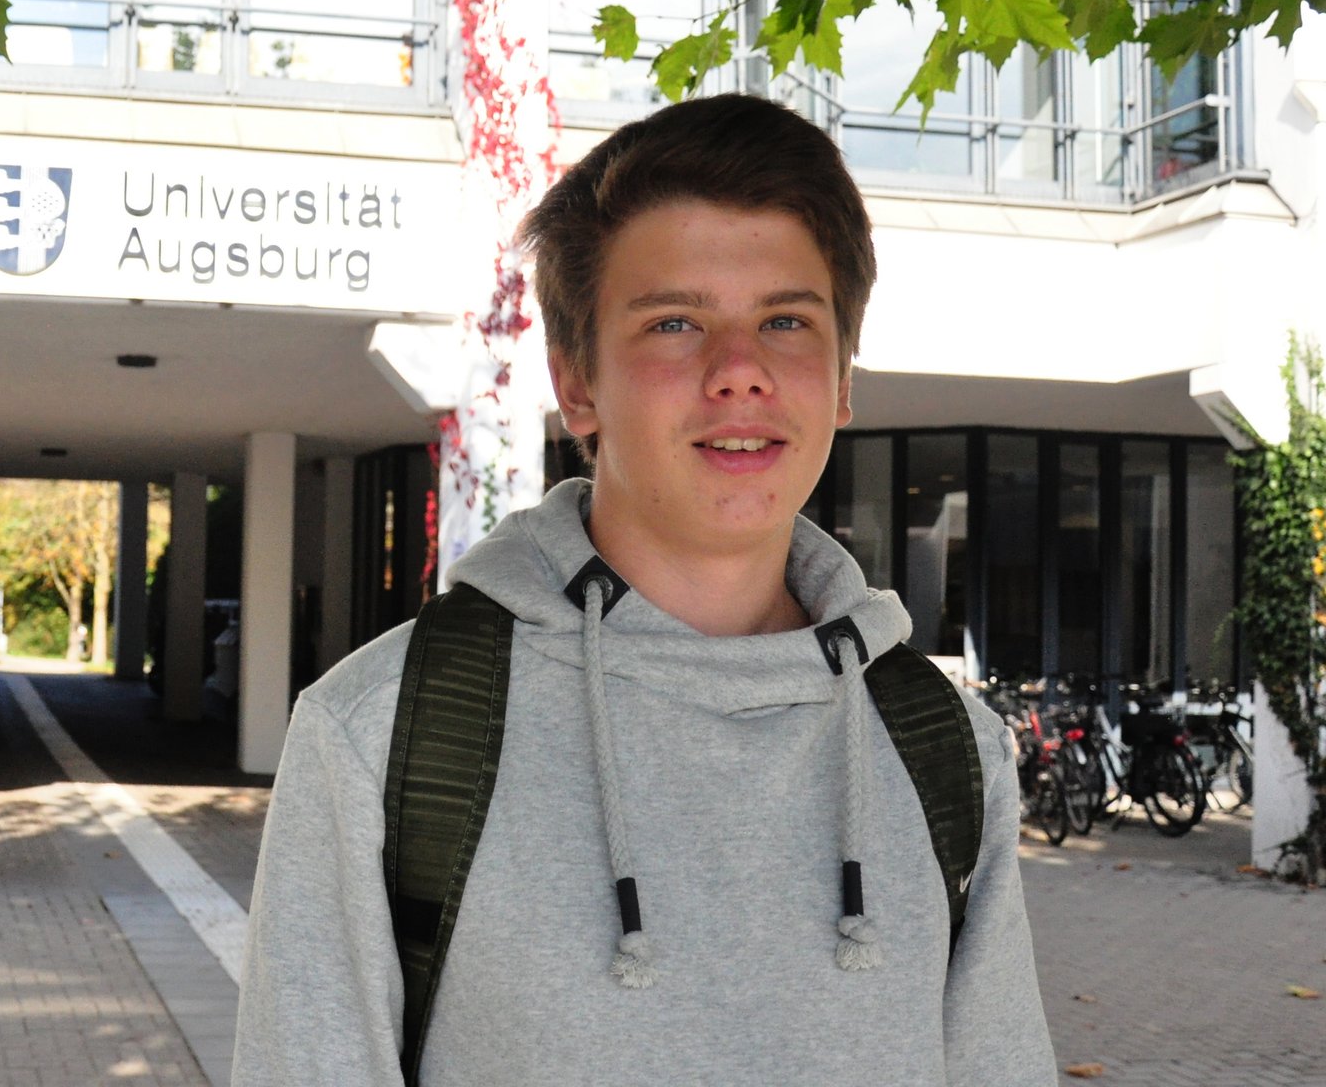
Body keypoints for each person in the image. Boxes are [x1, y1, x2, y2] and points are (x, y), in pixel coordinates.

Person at [231, 93, 1055, 1085]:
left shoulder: (945, 751)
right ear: (575, 383)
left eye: (785, 321)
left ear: (840, 377)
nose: (738, 371)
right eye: (673, 322)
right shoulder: (382, 733)